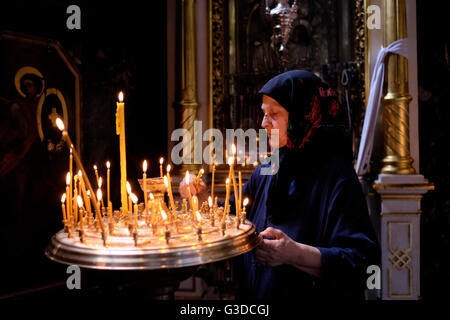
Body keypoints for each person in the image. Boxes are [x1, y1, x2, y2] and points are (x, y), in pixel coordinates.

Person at [180, 70, 380, 300]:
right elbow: (234, 215)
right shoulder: (268, 167)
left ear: (304, 115)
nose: (264, 123)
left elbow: (364, 264)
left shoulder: (338, 177)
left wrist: (295, 254)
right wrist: (202, 198)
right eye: (264, 113)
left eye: (274, 114)